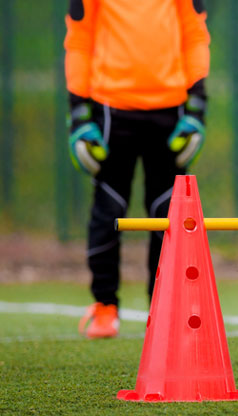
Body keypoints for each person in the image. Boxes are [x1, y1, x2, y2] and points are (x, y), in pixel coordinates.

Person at [65, 0, 210, 339]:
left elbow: (195, 36)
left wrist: (197, 106)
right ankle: (105, 307)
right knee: (109, 208)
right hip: (111, 109)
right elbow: (78, 41)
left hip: (171, 109)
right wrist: (78, 114)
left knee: (167, 212)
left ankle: (164, 311)